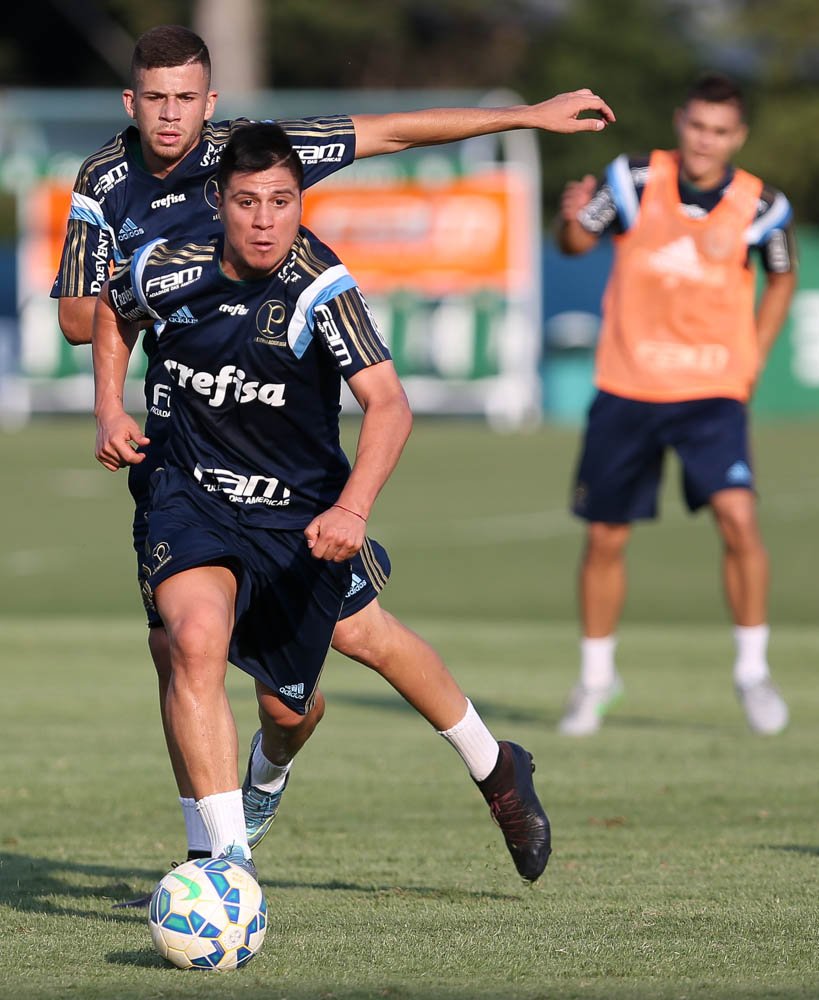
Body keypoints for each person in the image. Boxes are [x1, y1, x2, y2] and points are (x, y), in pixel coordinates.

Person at [54, 25, 610, 877]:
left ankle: (492, 768)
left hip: (290, 484)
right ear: (132, 103)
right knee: (185, 643)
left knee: (318, 680)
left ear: (212, 106)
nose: (171, 117)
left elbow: (392, 131)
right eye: (154, 99)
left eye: (186, 100)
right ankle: (218, 868)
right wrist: (115, 388)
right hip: (185, 467)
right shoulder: (111, 190)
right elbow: (89, 318)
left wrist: (528, 117)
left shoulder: (271, 187)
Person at [555, 72, 797, 737]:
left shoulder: (761, 206)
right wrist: (568, 216)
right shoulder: (633, 179)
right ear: (678, 122)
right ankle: (595, 679)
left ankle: (751, 669)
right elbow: (576, 241)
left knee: (737, 519)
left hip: (710, 392)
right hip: (627, 386)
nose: (703, 141)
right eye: (695, 126)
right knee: (604, 537)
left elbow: (782, 276)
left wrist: (752, 352)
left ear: (736, 136)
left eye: (718, 131)